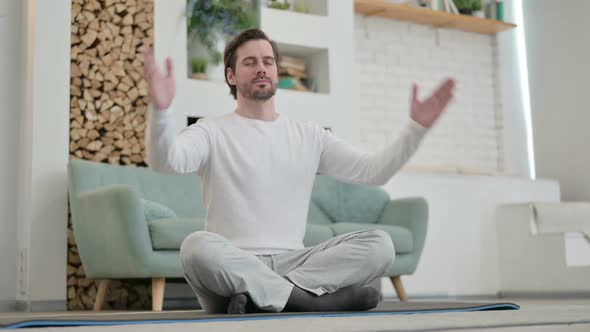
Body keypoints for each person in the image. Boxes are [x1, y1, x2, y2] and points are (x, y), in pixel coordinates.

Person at [144, 28, 455, 314]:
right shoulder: (210, 131)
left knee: (380, 245)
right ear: (231, 76)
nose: (261, 68)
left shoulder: (310, 135)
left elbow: (373, 172)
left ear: (277, 71)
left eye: (268, 61)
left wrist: (416, 129)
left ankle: (268, 298)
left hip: (294, 263)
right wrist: (161, 112)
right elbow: (166, 161)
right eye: (250, 62)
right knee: (196, 248)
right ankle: (308, 302)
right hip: (232, 267)